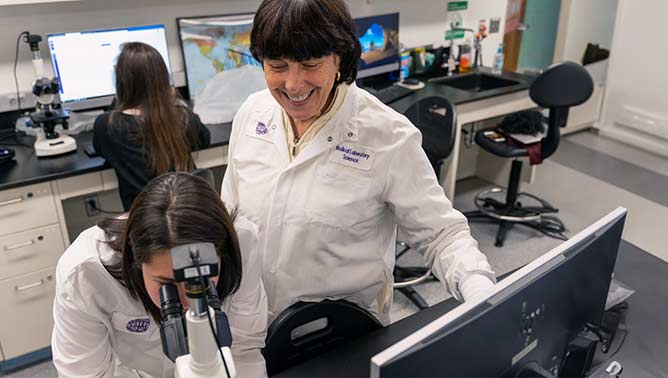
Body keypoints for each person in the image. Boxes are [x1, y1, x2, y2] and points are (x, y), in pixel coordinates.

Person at [222, 0, 496, 325]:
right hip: (248, 324)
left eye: (310, 64)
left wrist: (480, 293)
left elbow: (441, 234)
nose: (293, 85)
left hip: (338, 332)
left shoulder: (386, 135)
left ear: (340, 58)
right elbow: (229, 215)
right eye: (277, 66)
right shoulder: (252, 114)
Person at [52, 173, 268, 377]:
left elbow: (243, 349)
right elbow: (87, 374)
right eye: (167, 284)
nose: (186, 302)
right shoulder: (84, 274)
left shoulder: (241, 243)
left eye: (202, 281)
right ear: (136, 262)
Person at [93, 42, 210, 211]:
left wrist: (120, 97)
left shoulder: (108, 126)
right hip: (190, 218)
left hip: (146, 226)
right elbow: (204, 139)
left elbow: (100, 149)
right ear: (164, 80)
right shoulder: (183, 117)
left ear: (121, 82)